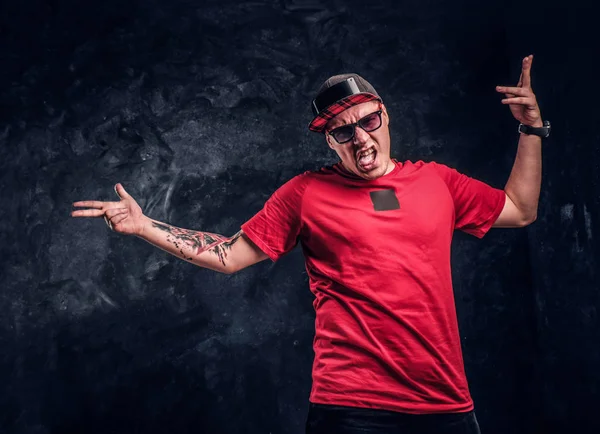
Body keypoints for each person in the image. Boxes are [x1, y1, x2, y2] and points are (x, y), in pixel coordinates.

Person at [72, 54, 548, 433]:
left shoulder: (438, 183)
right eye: (344, 131)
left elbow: (520, 210)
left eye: (369, 122)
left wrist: (530, 129)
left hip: (443, 401)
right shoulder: (305, 194)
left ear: (385, 115)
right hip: (352, 406)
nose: (361, 138)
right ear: (329, 141)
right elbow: (230, 255)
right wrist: (144, 225)